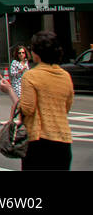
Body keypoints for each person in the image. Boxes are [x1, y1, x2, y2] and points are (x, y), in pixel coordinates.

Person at [18, 31, 74, 171]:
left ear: (37, 53)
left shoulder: (31, 76)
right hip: (63, 141)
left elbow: (28, 109)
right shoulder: (65, 76)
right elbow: (66, 107)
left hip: (39, 142)